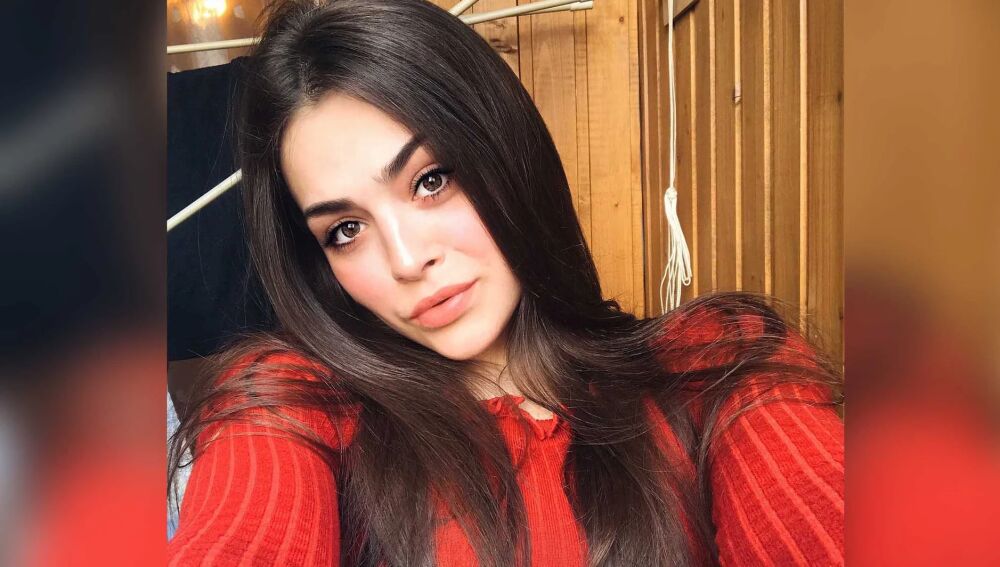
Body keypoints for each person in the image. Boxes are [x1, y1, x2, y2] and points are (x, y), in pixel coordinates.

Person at [167, 1, 845, 565]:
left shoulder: (714, 359)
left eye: (431, 180)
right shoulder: (293, 401)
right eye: (345, 229)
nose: (406, 259)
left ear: (502, 149)